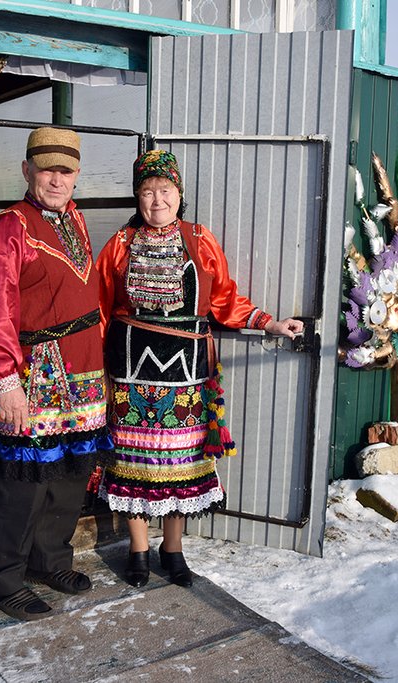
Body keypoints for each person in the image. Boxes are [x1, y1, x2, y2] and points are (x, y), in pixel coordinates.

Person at [95, 149, 304, 588]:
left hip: (188, 376)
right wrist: (96, 371)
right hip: (131, 374)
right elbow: (99, 307)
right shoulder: (119, 245)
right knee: (134, 463)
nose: (157, 201)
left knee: (180, 465)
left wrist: (270, 322)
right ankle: (137, 550)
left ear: (179, 193)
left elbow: (225, 298)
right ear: (137, 196)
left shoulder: (198, 239)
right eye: (148, 192)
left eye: (165, 191)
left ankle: (172, 550)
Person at [0, 127, 112, 620]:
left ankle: (49, 559)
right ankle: (5, 576)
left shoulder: (75, 220)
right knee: (23, 480)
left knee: (70, 476)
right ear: (27, 170)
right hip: (35, 375)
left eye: (66, 171)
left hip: (83, 373)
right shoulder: (6, 229)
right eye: (48, 168)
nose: (57, 179)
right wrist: (5, 380)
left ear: (77, 176)